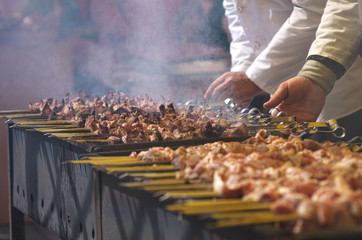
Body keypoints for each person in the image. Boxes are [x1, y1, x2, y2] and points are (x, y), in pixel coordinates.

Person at [204, 0, 362, 141]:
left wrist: (256, 77)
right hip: (287, 96)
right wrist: (243, 71)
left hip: (336, 89)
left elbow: (315, 12)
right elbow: (240, 16)